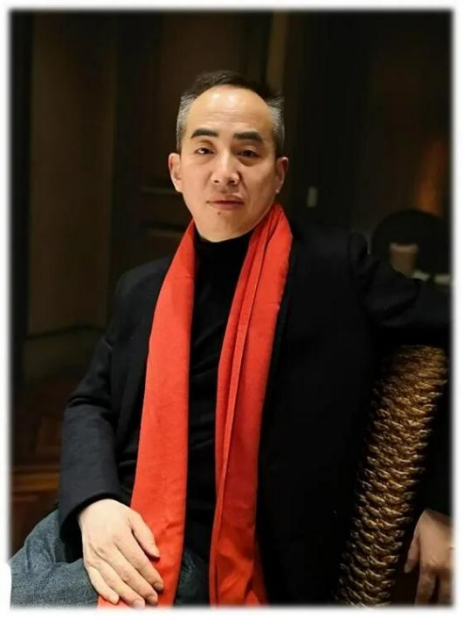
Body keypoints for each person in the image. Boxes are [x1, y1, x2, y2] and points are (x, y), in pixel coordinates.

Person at [9, 70, 452, 607]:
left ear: (279, 173)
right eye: (204, 150)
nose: (225, 173)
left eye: (247, 153)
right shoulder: (142, 288)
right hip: (112, 510)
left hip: (220, 556)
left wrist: (441, 500)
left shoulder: (335, 268)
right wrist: (94, 503)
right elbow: (91, 403)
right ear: (177, 172)